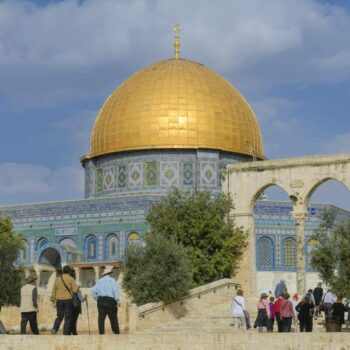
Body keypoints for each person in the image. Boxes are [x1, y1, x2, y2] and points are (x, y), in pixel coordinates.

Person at [92, 266, 120, 334]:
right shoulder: (112, 280)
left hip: (101, 300)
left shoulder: (99, 281)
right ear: (109, 273)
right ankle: (116, 333)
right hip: (110, 300)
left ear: (104, 274)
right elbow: (115, 291)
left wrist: (96, 298)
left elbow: (94, 291)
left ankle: (101, 333)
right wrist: (117, 300)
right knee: (113, 318)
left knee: (101, 318)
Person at [51, 265, 78, 335]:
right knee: (68, 317)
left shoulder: (57, 279)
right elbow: (75, 290)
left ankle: (54, 329)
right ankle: (65, 333)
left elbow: (53, 290)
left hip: (59, 300)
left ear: (63, 271)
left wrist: (53, 300)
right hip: (68, 300)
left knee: (59, 316)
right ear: (69, 271)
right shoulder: (71, 279)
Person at [69, 269, 85, 335]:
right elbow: (81, 299)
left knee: (69, 319)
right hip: (76, 306)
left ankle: (68, 332)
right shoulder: (77, 285)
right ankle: (74, 332)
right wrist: (85, 298)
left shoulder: (67, 284)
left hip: (68, 304)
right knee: (74, 320)